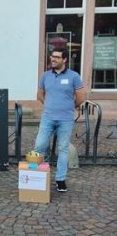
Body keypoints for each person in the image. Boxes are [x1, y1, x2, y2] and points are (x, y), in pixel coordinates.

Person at [35, 47, 85, 192]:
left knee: (63, 149)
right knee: (39, 146)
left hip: (65, 119)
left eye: (56, 57)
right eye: (52, 56)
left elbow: (81, 97)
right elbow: (40, 94)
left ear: (64, 60)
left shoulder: (73, 76)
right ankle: (38, 176)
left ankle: (60, 179)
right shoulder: (45, 76)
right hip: (48, 117)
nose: (53, 59)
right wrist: (49, 105)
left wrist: (69, 106)